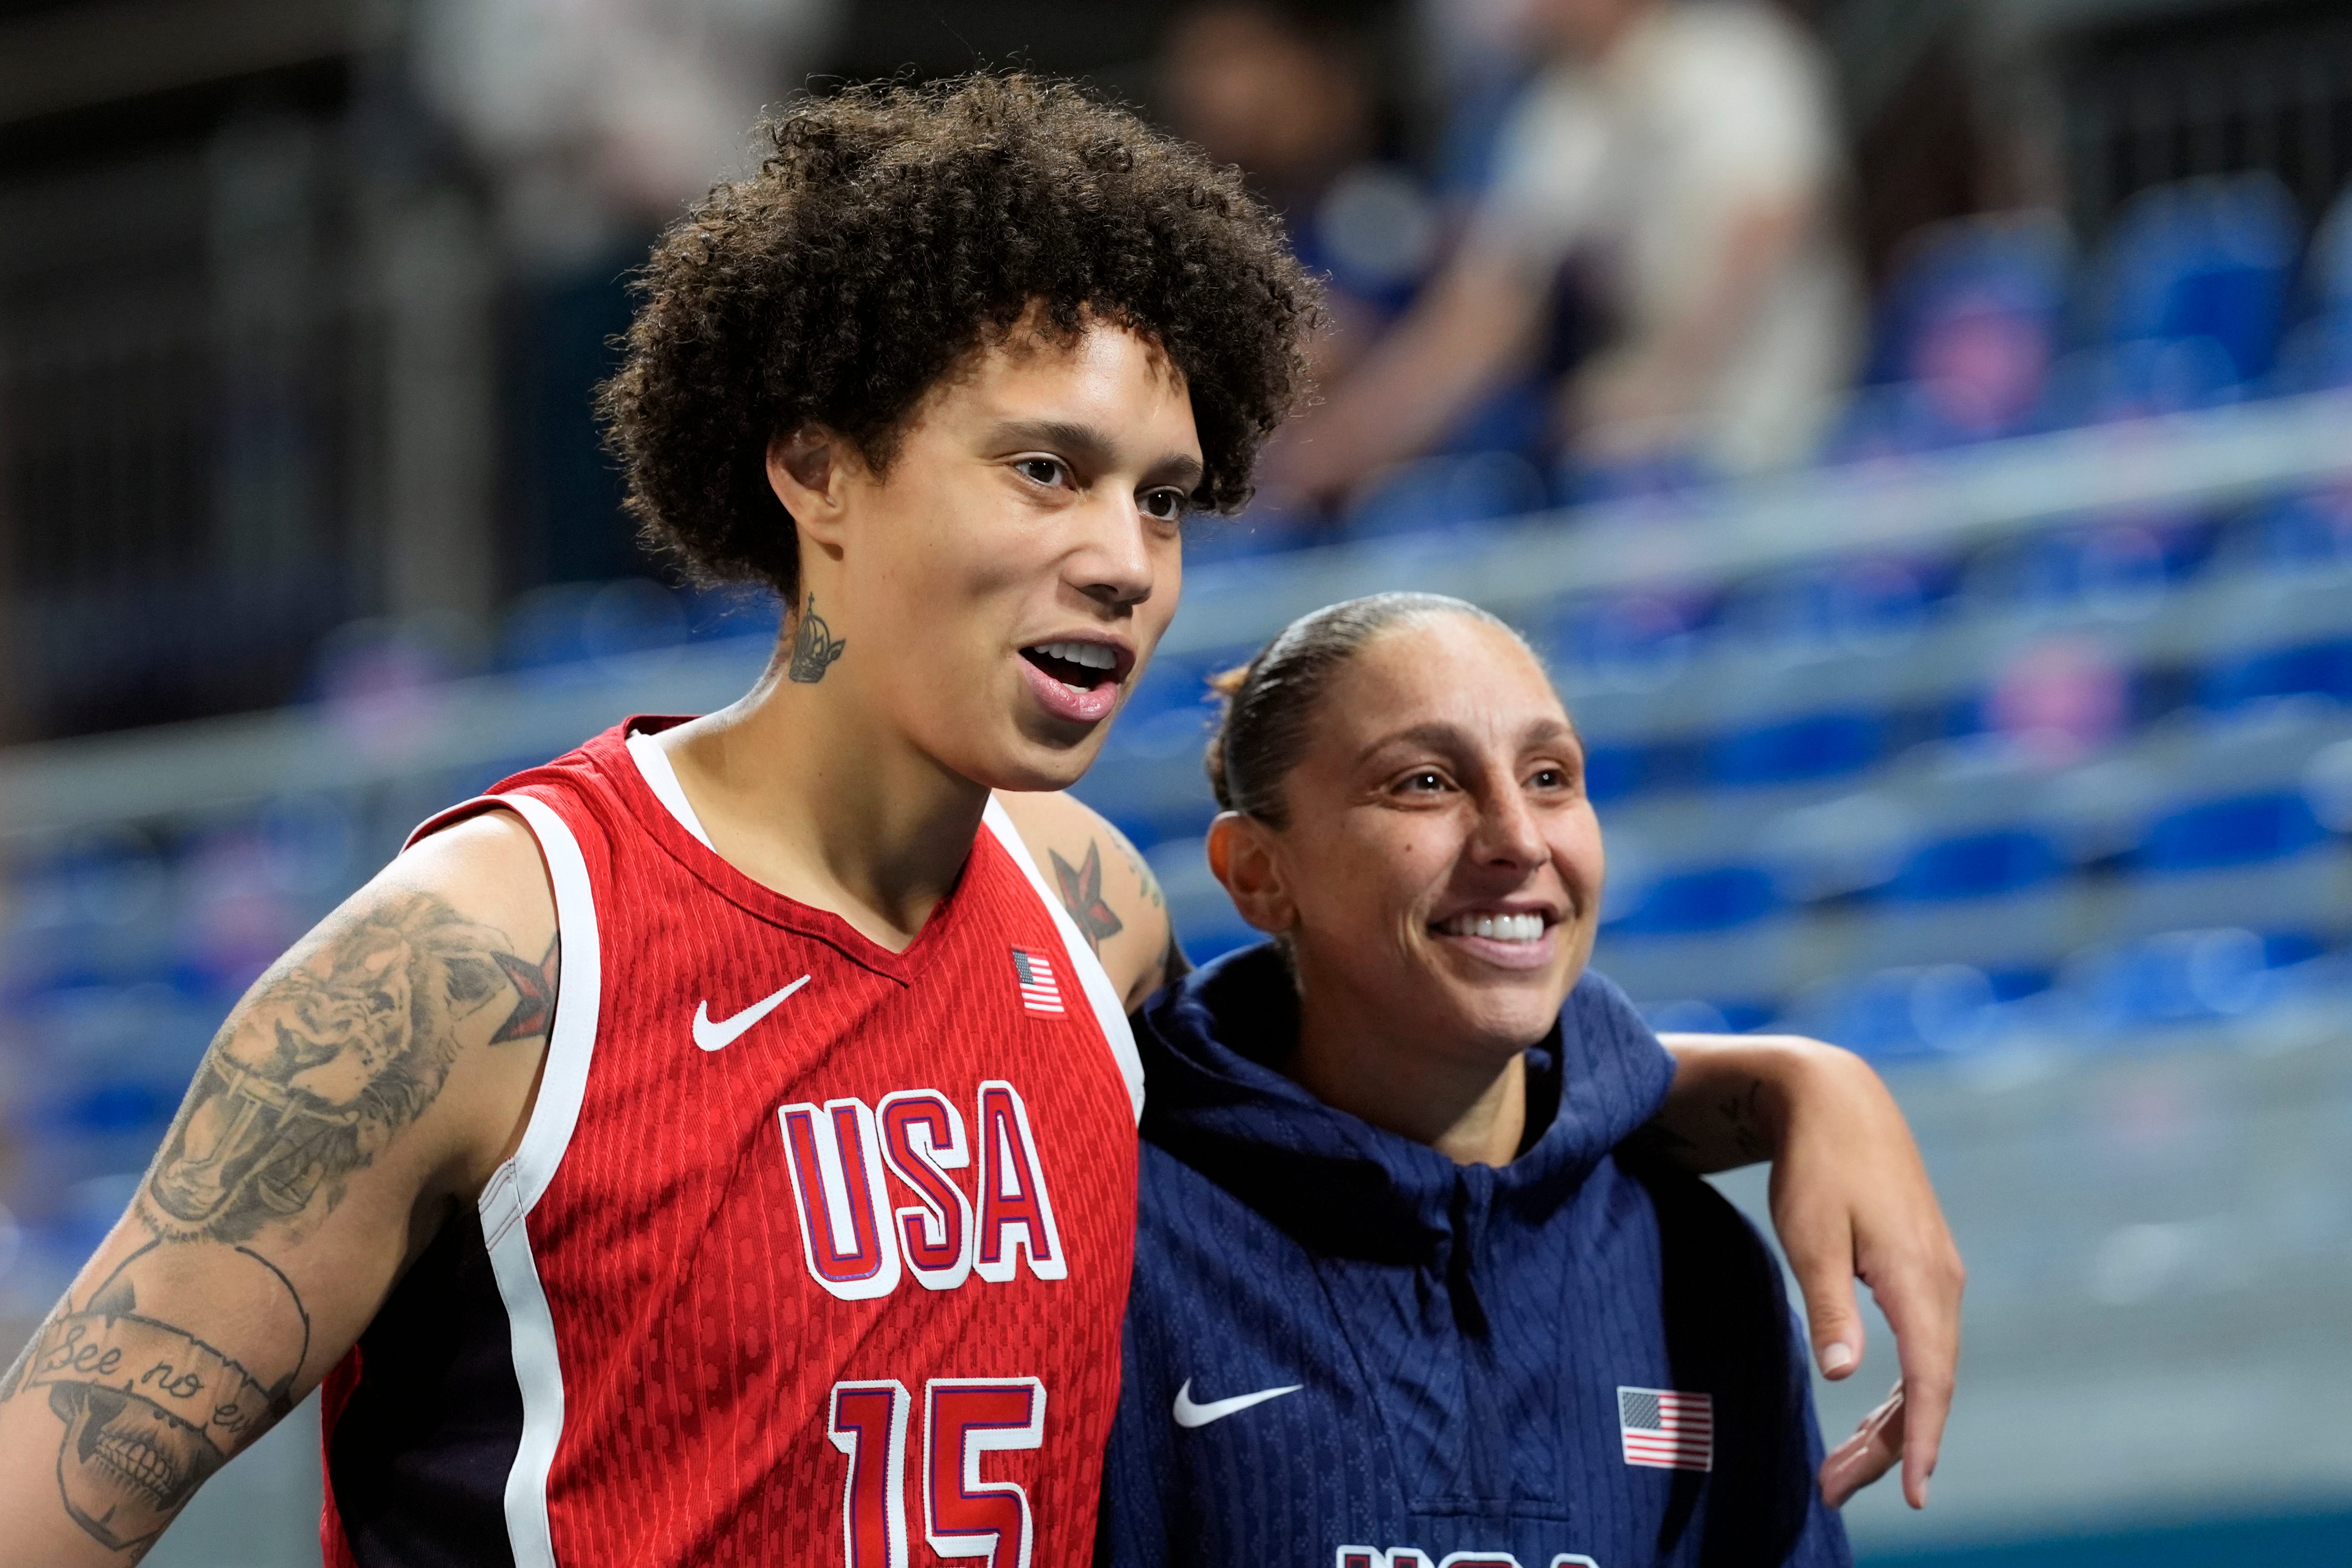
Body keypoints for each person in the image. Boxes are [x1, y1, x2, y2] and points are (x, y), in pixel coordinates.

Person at [0, 77, 1947, 1568]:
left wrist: (1786, 1084)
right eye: (1044, 471)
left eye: (1162, 499)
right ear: (816, 469)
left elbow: (1382, 1115)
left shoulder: (1089, 917)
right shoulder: (484, 959)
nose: (1123, 559)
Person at [1098, 593, 1955, 1565]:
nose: (1518, 837)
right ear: (1257, 873)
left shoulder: (1697, 1267)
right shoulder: (1120, 1250)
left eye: (1549, 777)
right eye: (1424, 782)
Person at [1273, 0, 1860, 497]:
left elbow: (1762, 232)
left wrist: (1661, 384)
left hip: (1787, 425)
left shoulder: (1736, 54)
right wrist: (1341, 445)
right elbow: (1483, 314)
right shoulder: (1561, 111)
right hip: (1650, 453)